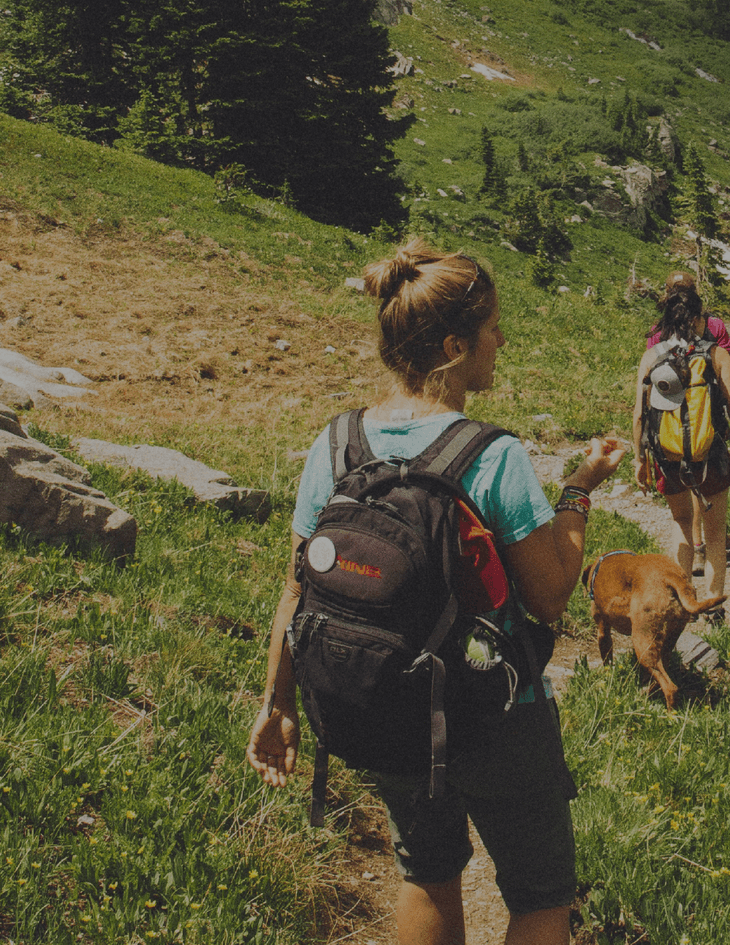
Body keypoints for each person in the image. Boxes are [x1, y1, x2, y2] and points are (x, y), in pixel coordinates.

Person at [247, 237, 625, 945]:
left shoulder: (337, 444)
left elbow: (296, 591)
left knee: (425, 873)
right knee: (541, 895)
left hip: (389, 705)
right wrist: (578, 491)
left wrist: (279, 704)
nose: (502, 342)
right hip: (496, 711)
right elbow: (549, 597)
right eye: (492, 330)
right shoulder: (491, 454)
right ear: (454, 347)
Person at [633, 271, 730, 608]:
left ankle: (680, 602)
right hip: (710, 451)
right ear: (699, 316)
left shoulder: (651, 356)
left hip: (667, 453)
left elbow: (640, 415)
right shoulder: (716, 354)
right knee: (716, 534)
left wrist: (640, 459)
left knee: (681, 522)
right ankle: (714, 605)